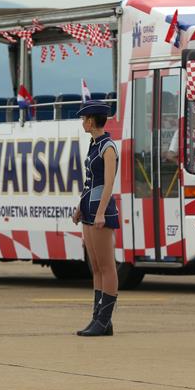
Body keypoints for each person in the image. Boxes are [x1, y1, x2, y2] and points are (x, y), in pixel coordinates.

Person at [71, 100, 119, 337]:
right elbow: (89, 181)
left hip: (102, 210)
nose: (83, 122)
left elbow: (108, 183)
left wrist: (100, 212)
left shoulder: (108, 147)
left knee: (106, 265)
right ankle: (98, 317)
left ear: (92, 120)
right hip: (89, 209)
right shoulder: (94, 145)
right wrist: (81, 206)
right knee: (96, 267)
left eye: (84, 118)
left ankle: (105, 318)